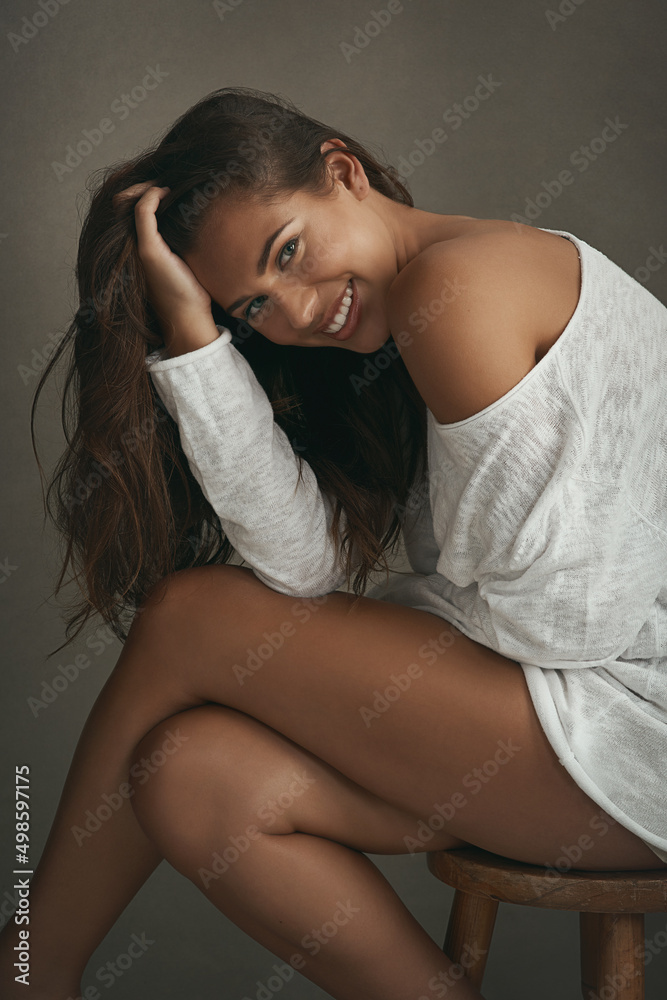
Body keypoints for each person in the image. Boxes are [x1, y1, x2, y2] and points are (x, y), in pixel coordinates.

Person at [2, 85, 666, 1000]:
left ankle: (28, 969)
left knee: (193, 615)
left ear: (342, 171)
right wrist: (197, 341)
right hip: (579, 723)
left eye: (290, 253)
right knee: (191, 777)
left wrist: (366, 659)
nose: (298, 313)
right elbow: (303, 570)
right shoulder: (423, 309)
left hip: (636, 730)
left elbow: (566, 620)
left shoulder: (456, 290)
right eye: (252, 309)